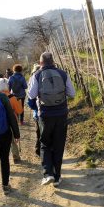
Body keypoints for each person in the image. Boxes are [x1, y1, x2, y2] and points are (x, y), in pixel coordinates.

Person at [28, 52, 75, 187]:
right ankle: (58, 177)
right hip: (61, 114)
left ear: (41, 62)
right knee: (58, 145)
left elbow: (31, 95)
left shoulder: (36, 75)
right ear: (53, 61)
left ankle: (48, 174)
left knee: (45, 144)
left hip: (45, 115)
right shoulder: (63, 73)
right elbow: (72, 93)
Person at [0, 78, 23, 163]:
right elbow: (19, 111)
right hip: (11, 121)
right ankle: (16, 157)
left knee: (1, 142)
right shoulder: (12, 98)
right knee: (12, 140)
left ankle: (3, 159)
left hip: (0, 122)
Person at [27, 63, 41, 157]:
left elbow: (30, 99)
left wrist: (35, 108)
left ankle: (38, 150)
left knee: (39, 132)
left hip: (37, 113)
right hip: (49, 111)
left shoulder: (32, 79)